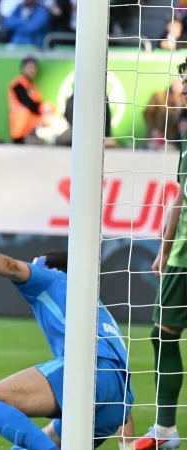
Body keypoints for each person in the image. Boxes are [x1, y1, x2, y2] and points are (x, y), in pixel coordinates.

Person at [0, 235, 136, 450]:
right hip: (116, 406)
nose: (31, 269)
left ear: (53, 269)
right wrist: (128, 445)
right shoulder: (98, 311)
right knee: (28, 446)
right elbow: (118, 384)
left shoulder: (54, 279)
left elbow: (11, 266)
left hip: (88, 375)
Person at [135, 56, 187, 450]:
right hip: (180, 257)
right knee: (161, 333)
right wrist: (164, 249)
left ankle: (166, 431)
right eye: (181, 76)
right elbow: (180, 198)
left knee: (163, 334)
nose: (181, 84)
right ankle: (165, 430)